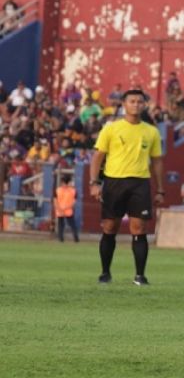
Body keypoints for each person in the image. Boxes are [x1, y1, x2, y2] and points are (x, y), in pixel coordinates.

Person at [89, 89, 164, 285]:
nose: (136, 105)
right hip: (114, 182)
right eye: (132, 101)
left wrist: (160, 189)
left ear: (144, 105)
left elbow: (157, 161)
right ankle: (105, 272)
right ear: (124, 104)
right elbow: (98, 156)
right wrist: (94, 182)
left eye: (140, 102)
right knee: (109, 226)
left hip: (140, 183)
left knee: (139, 228)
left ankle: (140, 276)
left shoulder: (151, 131)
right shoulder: (111, 129)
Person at [54, 173, 79, 243]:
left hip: (62, 211)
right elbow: (74, 202)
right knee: (69, 225)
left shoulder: (58, 190)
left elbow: (55, 201)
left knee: (63, 225)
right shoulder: (73, 190)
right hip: (67, 210)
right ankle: (64, 238)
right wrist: (64, 208)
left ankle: (63, 238)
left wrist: (60, 208)